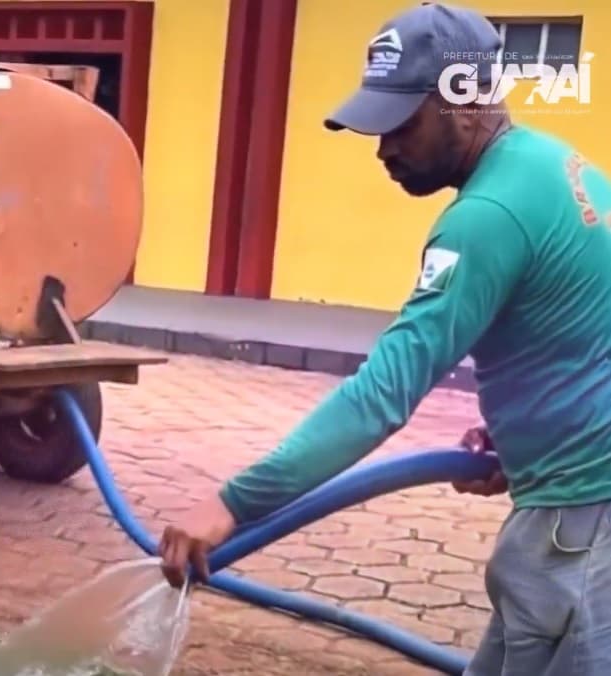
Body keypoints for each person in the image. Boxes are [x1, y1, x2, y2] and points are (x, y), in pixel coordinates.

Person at [157, 3, 611, 674]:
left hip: (582, 517)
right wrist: (526, 432)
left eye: (400, 124)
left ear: (461, 101)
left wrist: (229, 506)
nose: (383, 149)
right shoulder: (556, 166)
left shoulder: (483, 218)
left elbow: (379, 398)